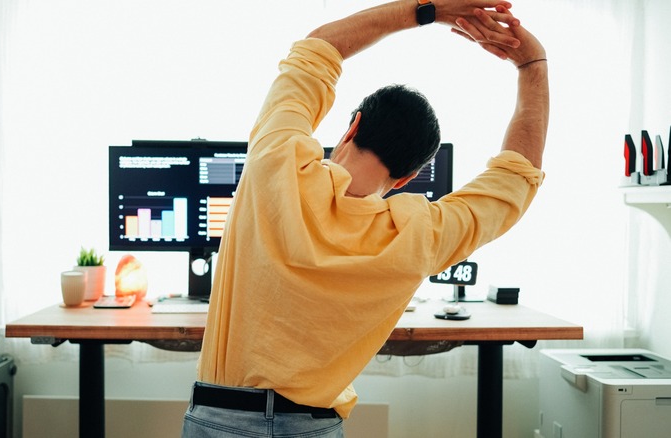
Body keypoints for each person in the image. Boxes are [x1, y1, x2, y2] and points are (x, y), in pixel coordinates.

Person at [183, 0, 549, 436]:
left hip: (220, 418)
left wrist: (429, 10)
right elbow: (515, 178)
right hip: (313, 428)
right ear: (408, 177)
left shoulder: (276, 161)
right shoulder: (420, 234)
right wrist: (532, 64)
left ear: (352, 127)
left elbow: (320, 48)